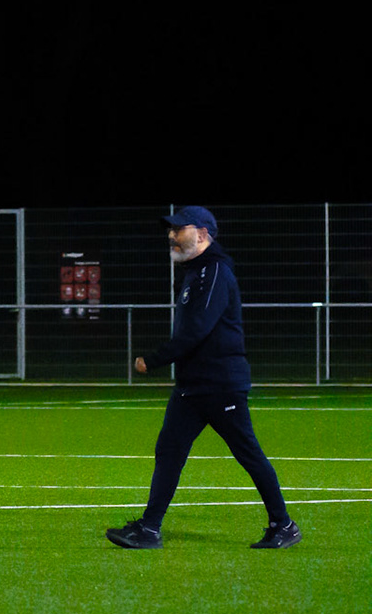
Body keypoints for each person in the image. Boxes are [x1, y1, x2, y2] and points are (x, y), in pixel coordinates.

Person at [107, 207, 301, 549]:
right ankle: (149, 529)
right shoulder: (195, 274)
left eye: (179, 229)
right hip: (193, 387)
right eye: (170, 230)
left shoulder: (214, 271)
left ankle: (283, 525)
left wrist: (152, 361)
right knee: (169, 451)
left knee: (248, 454)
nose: (171, 235)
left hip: (220, 384)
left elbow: (197, 329)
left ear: (202, 234)